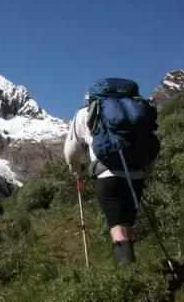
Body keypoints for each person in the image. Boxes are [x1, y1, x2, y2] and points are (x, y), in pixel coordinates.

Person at [64, 101, 145, 265]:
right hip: (136, 174)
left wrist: (77, 172)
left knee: (118, 230)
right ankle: (133, 271)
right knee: (126, 228)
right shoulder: (130, 109)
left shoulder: (85, 112)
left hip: (108, 175)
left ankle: (128, 280)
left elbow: (71, 152)